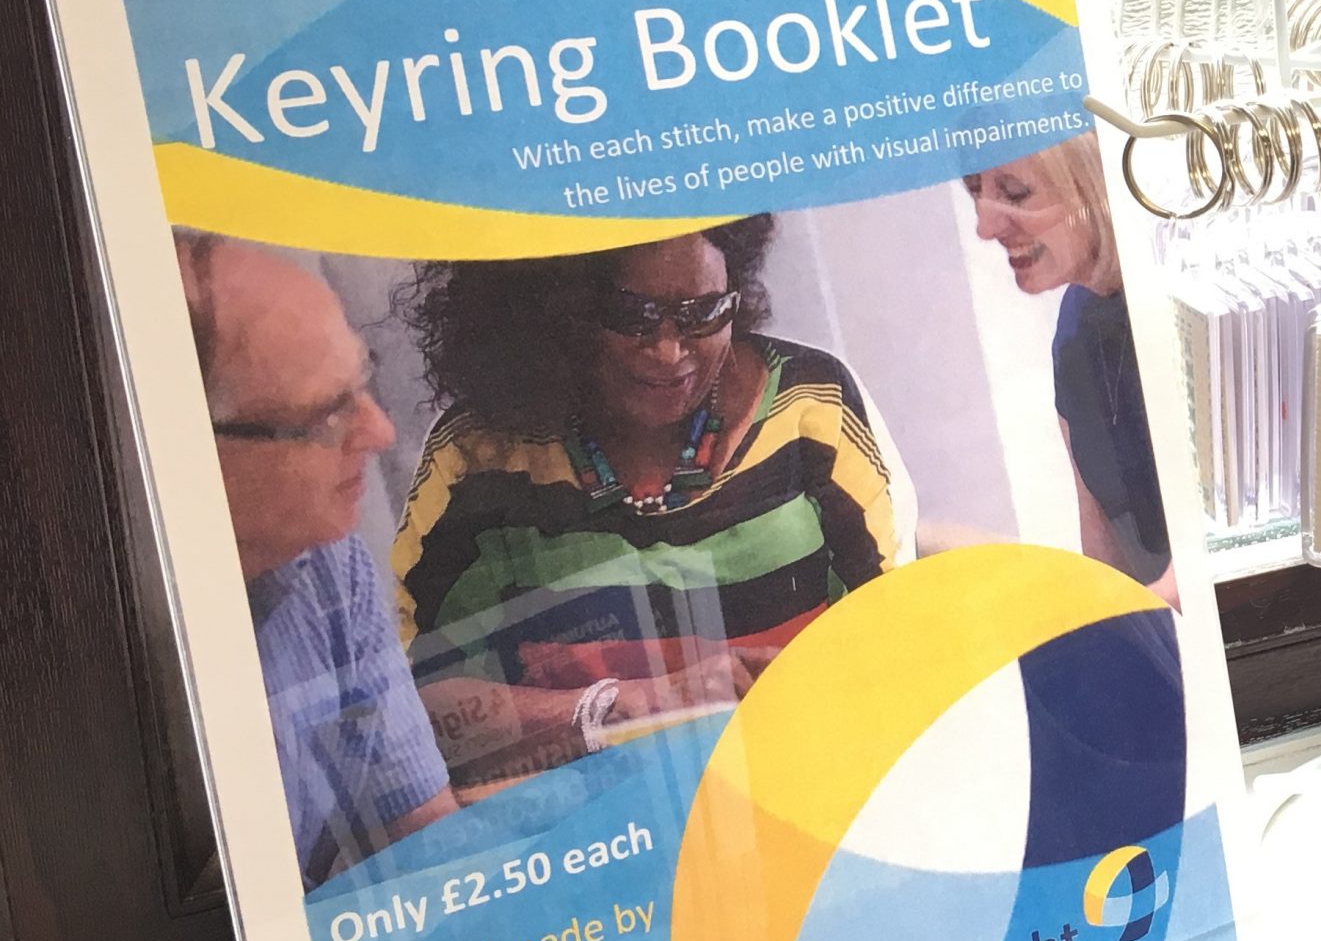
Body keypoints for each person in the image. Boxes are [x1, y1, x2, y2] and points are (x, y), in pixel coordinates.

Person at [392, 217, 915, 788]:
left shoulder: (811, 407)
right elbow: (411, 713)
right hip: (601, 819)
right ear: (561, 308)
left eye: (703, 313)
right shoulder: (478, 458)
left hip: (815, 786)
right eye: (633, 315)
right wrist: (625, 707)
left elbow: (899, 636)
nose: (669, 351)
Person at [177, 234, 458, 888]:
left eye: (360, 382)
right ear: (187, 448)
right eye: (329, 416)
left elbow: (426, 842)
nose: (380, 432)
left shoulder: (329, 558)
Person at [965, 137, 1175, 601]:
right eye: (974, 190)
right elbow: (1100, 535)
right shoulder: (1075, 327)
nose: (985, 226)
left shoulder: (1185, 302)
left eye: (1015, 192)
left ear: (1093, 176)